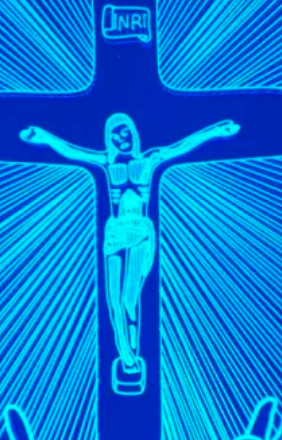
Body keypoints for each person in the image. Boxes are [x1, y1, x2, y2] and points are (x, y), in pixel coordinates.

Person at [19, 113, 239, 393]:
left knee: (129, 299)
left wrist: (215, 131)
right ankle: (127, 358)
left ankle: (132, 354)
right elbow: (73, 152)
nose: (119, 139)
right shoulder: (107, 162)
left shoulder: (149, 160)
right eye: (114, 136)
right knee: (113, 300)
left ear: (133, 133)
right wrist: (44, 137)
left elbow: (181, 147)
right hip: (115, 233)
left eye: (123, 133)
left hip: (140, 233)